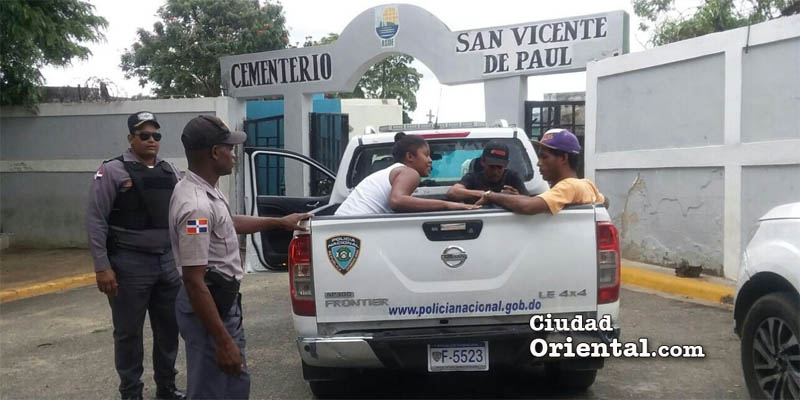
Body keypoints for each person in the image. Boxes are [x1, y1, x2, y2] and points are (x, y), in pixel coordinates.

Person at [169, 115, 309, 399]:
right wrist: (222, 340)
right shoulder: (195, 205)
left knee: (234, 383)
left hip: (222, 302)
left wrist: (280, 222)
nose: (234, 154)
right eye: (229, 148)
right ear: (214, 152)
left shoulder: (206, 191)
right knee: (210, 389)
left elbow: (229, 223)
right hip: (209, 308)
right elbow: (194, 280)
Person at [86, 111, 186, 400]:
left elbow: (180, 215)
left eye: (156, 135)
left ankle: (166, 388)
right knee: (128, 334)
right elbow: (95, 220)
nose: (151, 140)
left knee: (168, 329)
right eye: (144, 135)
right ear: (131, 138)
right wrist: (102, 267)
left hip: (167, 262)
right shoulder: (112, 171)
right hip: (129, 264)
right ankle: (131, 393)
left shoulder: (170, 171)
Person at [335, 132, 480, 216]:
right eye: (426, 155)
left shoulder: (394, 171)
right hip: (353, 228)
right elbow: (397, 201)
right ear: (410, 157)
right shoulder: (409, 172)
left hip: (344, 225)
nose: (430, 161)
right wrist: (447, 205)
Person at [476, 129, 605, 214]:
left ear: (564, 158)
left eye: (544, 157)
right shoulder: (586, 184)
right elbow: (605, 201)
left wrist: (491, 195)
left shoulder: (568, 186)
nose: (538, 163)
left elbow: (528, 207)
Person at [446, 140, 529, 202]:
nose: (495, 172)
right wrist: (487, 195)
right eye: (491, 167)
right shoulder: (473, 178)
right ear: (483, 161)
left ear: (506, 164)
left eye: (499, 167)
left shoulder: (512, 178)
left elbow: (528, 202)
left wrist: (517, 197)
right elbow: (452, 192)